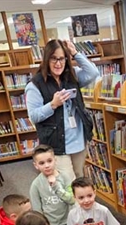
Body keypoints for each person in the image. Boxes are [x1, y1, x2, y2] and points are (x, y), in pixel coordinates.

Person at [26, 39, 99, 181]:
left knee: (79, 179)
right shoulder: (35, 84)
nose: (58, 63)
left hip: (78, 141)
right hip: (57, 144)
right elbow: (34, 116)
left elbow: (93, 73)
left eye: (62, 58)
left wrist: (75, 52)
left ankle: (79, 204)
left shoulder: (71, 76)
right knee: (68, 182)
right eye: (54, 59)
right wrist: (53, 105)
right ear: (46, 59)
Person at [29, 144, 75, 225]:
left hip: (69, 223)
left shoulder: (65, 177)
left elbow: (71, 200)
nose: (47, 165)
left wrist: (56, 187)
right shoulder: (35, 185)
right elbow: (37, 212)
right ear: (36, 165)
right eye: (42, 163)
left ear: (55, 160)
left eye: (49, 161)